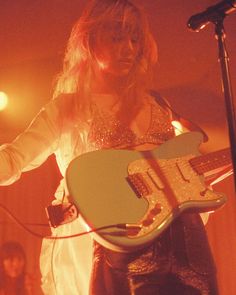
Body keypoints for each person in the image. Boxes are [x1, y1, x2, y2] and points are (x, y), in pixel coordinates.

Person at [0, 0, 229, 294]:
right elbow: (15, 159)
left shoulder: (158, 104)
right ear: (90, 41)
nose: (129, 48)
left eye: (135, 38)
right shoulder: (68, 108)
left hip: (181, 241)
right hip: (113, 245)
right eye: (117, 37)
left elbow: (183, 175)